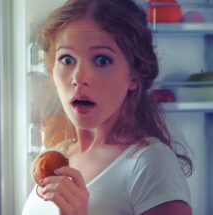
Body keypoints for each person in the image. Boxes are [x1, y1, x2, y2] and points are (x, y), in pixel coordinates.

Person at [22, 0, 192, 215]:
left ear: (134, 75)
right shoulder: (55, 156)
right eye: (67, 59)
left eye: (102, 60)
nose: (79, 78)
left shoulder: (151, 164)